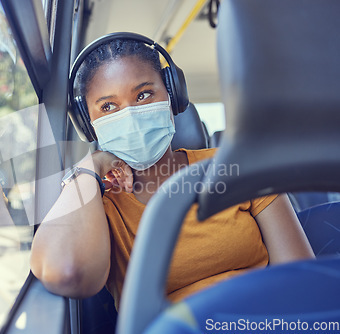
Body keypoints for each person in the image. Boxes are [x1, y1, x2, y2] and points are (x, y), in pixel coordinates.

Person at [30, 34, 314, 309]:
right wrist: (90, 166)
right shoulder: (98, 208)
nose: (129, 115)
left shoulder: (237, 167)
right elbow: (67, 271)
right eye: (108, 106)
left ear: (172, 95)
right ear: (88, 124)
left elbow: (302, 281)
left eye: (143, 94)